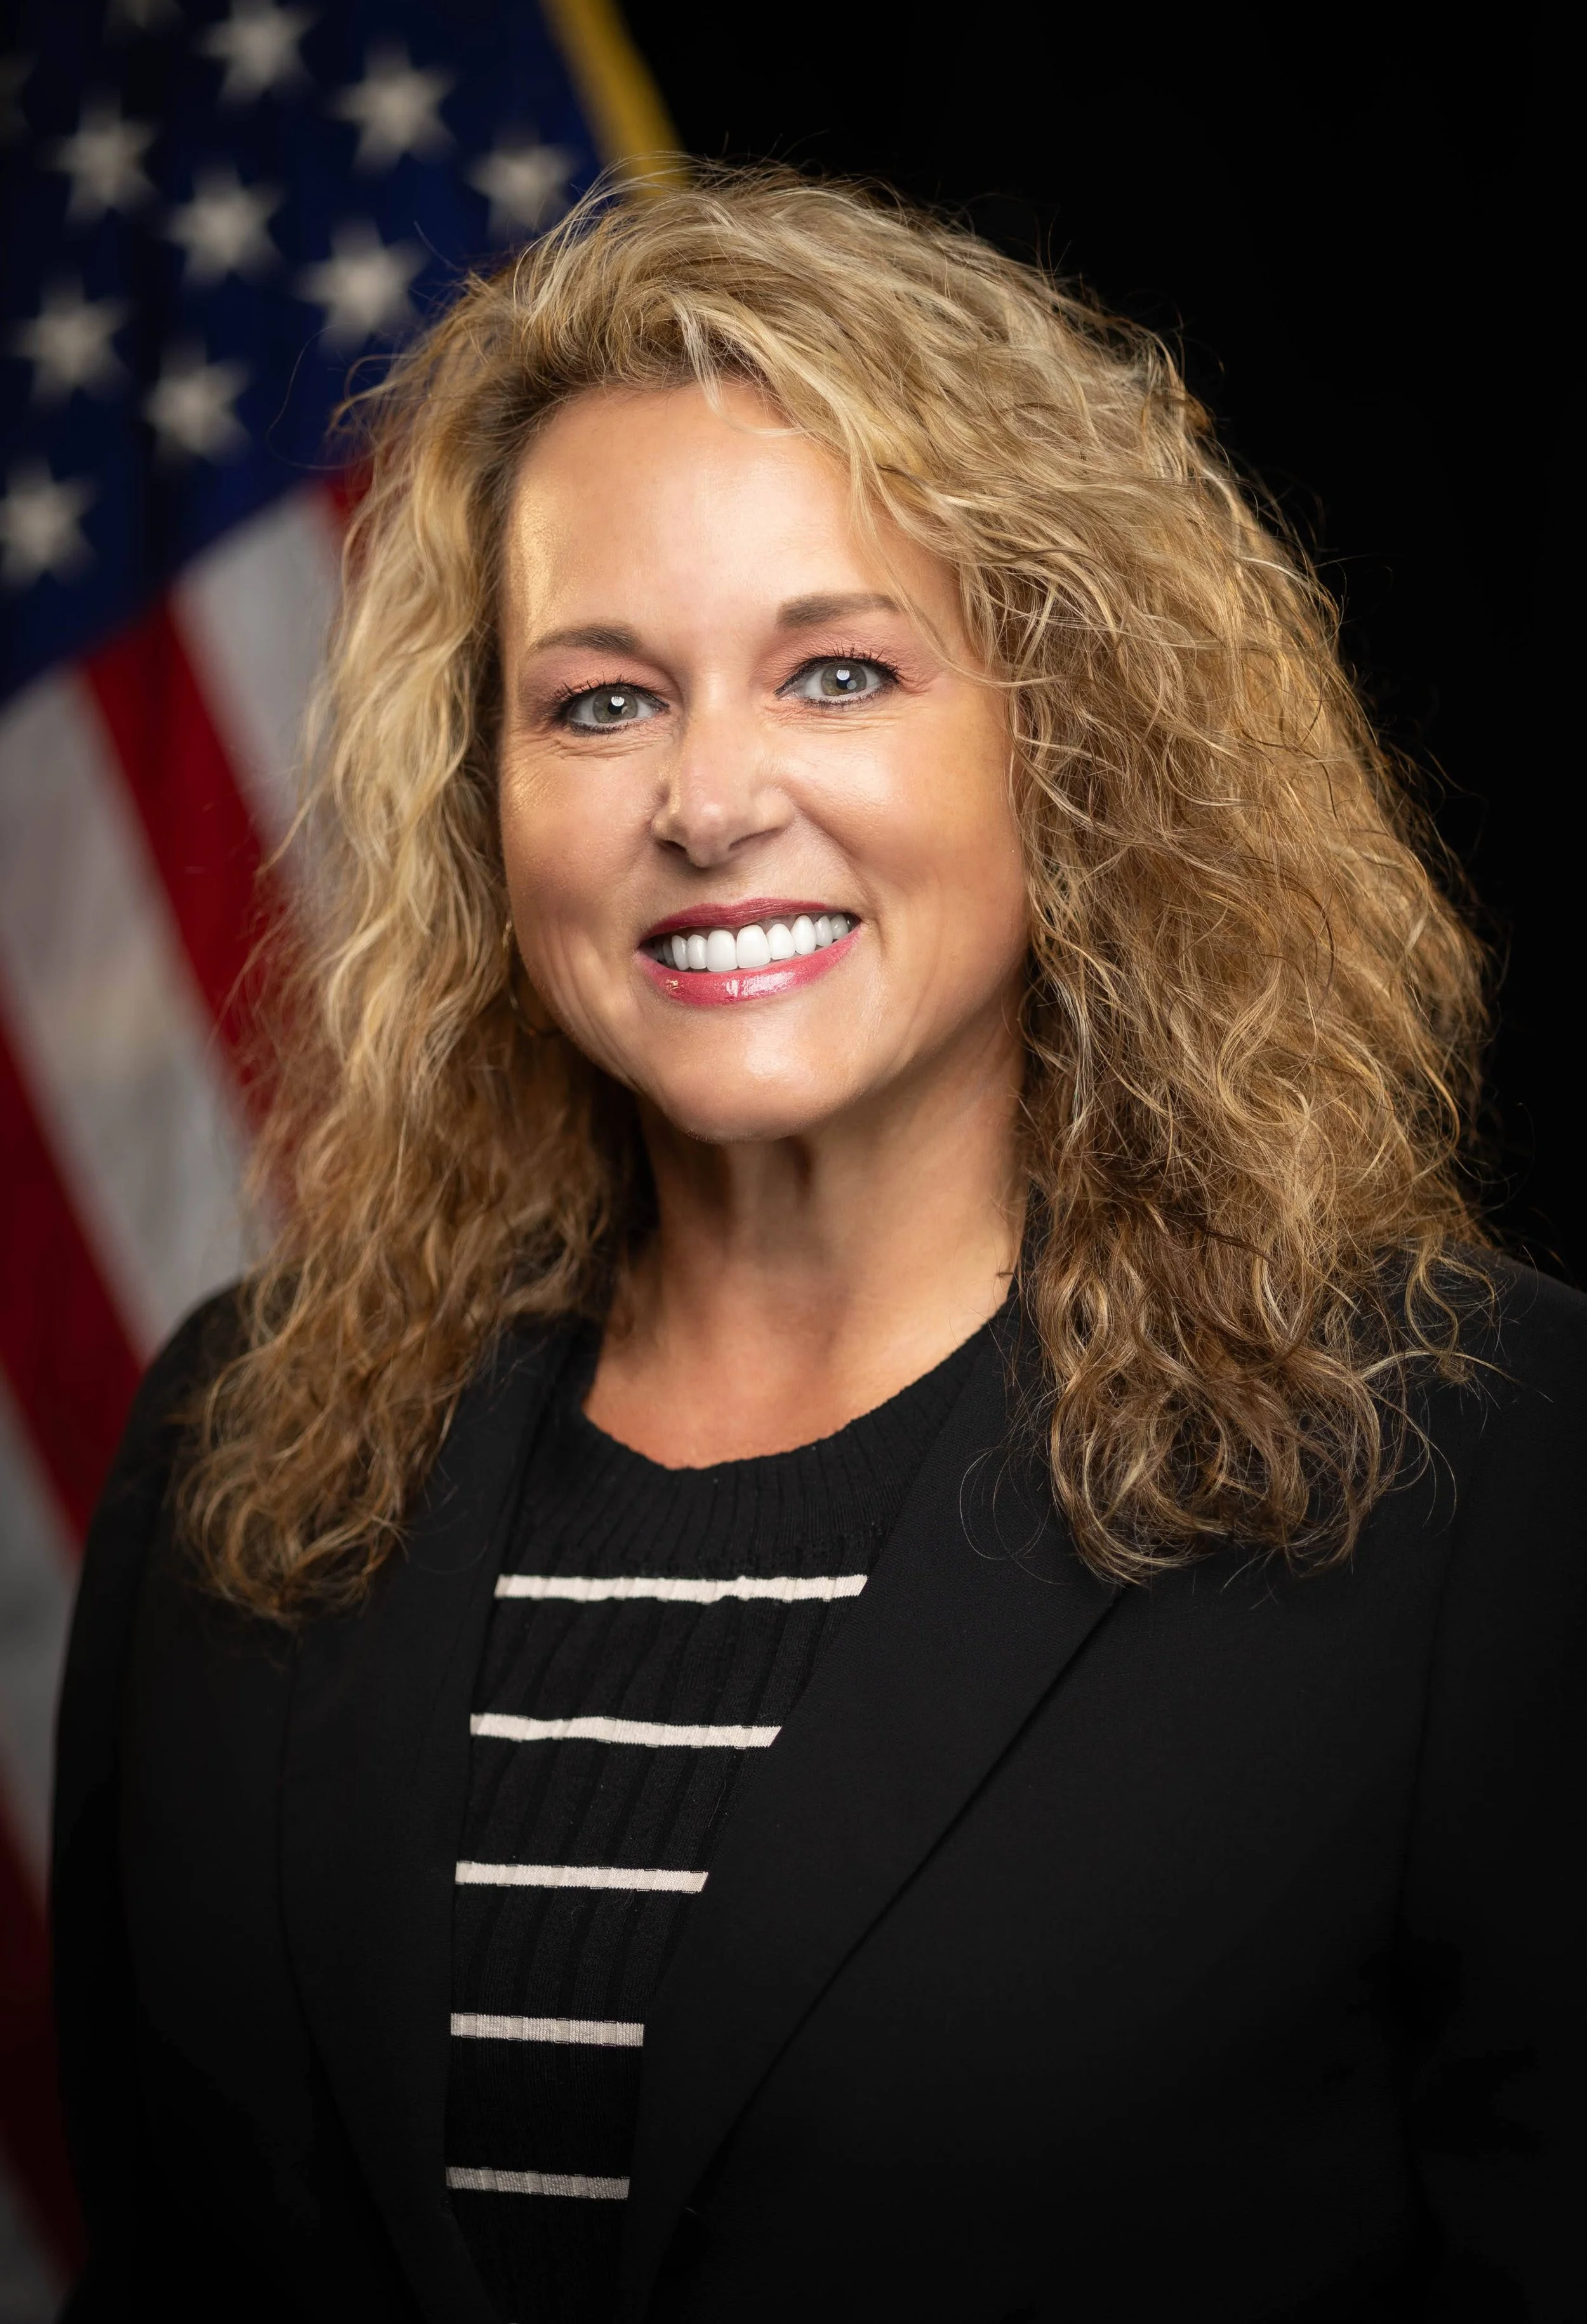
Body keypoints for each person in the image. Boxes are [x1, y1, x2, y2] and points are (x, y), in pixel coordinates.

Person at [53, 168, 1584, 2324]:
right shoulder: (247, 1439)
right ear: (486, 797)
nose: (707, 800)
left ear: (1069, 737)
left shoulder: (1473, 1468)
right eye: (600, 701)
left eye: (837, 671)